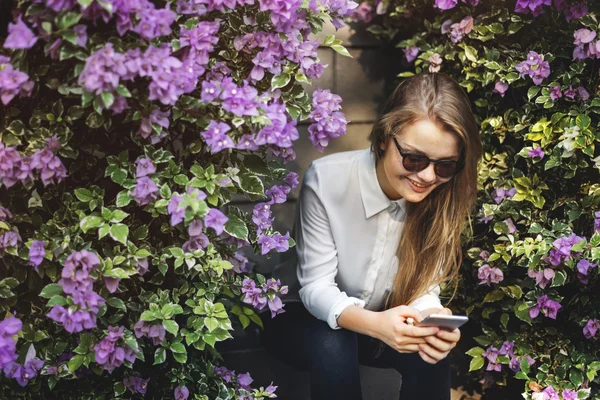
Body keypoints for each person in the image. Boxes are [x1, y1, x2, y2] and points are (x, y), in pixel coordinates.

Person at [263, 73, 482, 400]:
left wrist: (431, 320)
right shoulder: (328, 180)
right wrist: (377, 325)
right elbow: (316, 287)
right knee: (334, 340)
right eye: (414, 158)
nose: (427, 176)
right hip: (297, 318)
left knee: (429, 352)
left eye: (445, 166)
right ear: (383, 138)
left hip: (383, 321)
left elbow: (424, 286)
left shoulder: (442, 197)